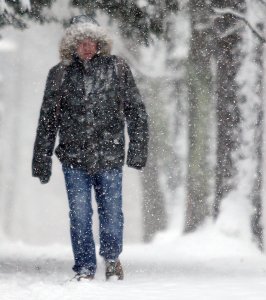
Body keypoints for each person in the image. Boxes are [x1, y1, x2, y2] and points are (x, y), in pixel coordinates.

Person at [32, 15, 149, 281]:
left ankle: (111, 259)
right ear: (72, 45)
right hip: (73, 159)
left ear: (100, 43)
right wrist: (42, 161)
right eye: (81, 42)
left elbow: (136, 112)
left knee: (111, 214)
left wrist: (137, 151)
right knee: (80, 215)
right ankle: (84, 267)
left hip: (110, 156)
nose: (87, 47)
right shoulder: (59, 74)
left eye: (91, 41)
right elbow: (47, 121)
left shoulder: (118, 69)